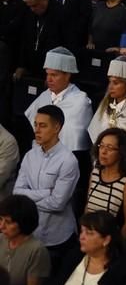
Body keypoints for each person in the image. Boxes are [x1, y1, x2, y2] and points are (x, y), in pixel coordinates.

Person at [13, 105, 80, 263]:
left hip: (57, 238)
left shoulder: (68, 161)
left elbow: (57, 203)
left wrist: (29, 198)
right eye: (35, 124)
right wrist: (45, 193)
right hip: (31, 233)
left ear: (57, 127)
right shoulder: (30, 156)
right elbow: (17, 192)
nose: (37, 130)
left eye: (43, 125)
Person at [25, 47, 93, 157]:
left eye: (54, 75)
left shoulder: (80, 100)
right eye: (47, 74)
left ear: (67, 75)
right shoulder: (44, 96)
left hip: (68, 157)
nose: (49, 79)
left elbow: (75, 137)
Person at [49, 211, 126, 285]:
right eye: (82, 231)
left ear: (106, 240)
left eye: (89, 233)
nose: (82, 237)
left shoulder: (121, 271)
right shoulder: (74, 256)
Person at [86, 127, 126, 239]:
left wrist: (112, 246)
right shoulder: (95, 173)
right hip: (89, 240)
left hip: (110, 245)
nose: (103, 151)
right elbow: (87, 208)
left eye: (110, 148)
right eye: (101, 146)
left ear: (121, 152)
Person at [0, 195, 51, 285]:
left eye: (8, 222)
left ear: (23, 222)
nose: (1, 226)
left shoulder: (37, 251)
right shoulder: (0, 239)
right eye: (0, 219)